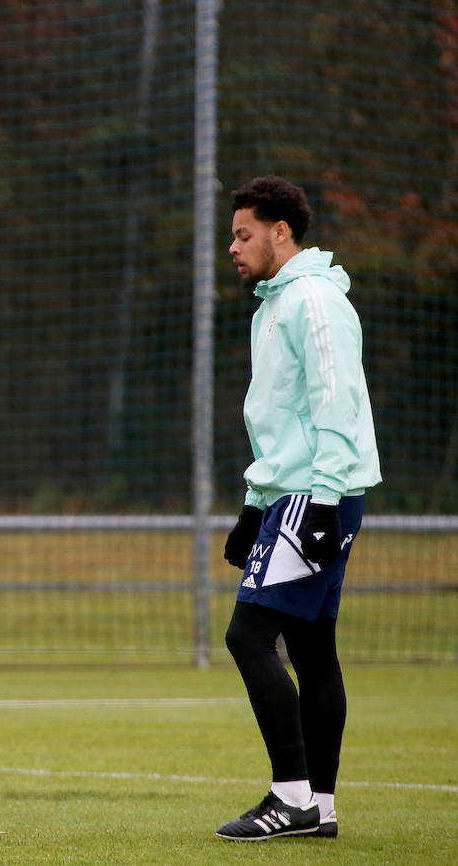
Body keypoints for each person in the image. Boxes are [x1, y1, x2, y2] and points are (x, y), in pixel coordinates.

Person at [217, 176, 381, 841]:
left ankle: (290, 795)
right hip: (295, 494)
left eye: (243, 233)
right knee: (313, 652)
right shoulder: (273, 305)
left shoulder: (312, 297)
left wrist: (321, 498)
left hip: (317, 493)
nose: (233, 246)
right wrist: (255, 507)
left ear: (280, 231)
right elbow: (280, 422)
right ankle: (321, 804)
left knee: (248, 636)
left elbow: (335, 401)